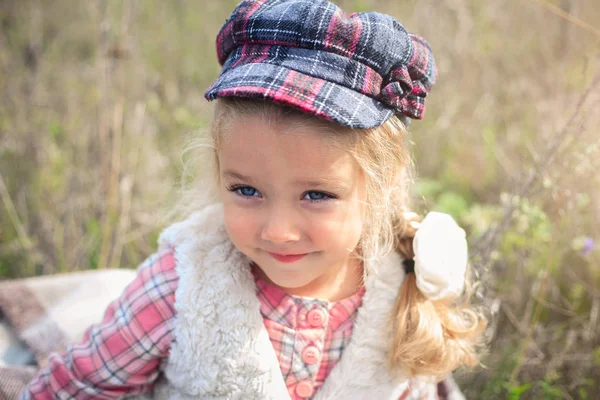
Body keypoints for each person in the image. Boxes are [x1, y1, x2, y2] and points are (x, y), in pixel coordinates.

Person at [20, 0, 486, 398]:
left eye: (316, 195)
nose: (278, 230)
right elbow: (74, 386)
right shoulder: (184, 282)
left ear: (379, 188)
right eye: (246, 190)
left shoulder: (402, 283)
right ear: (219, 172)